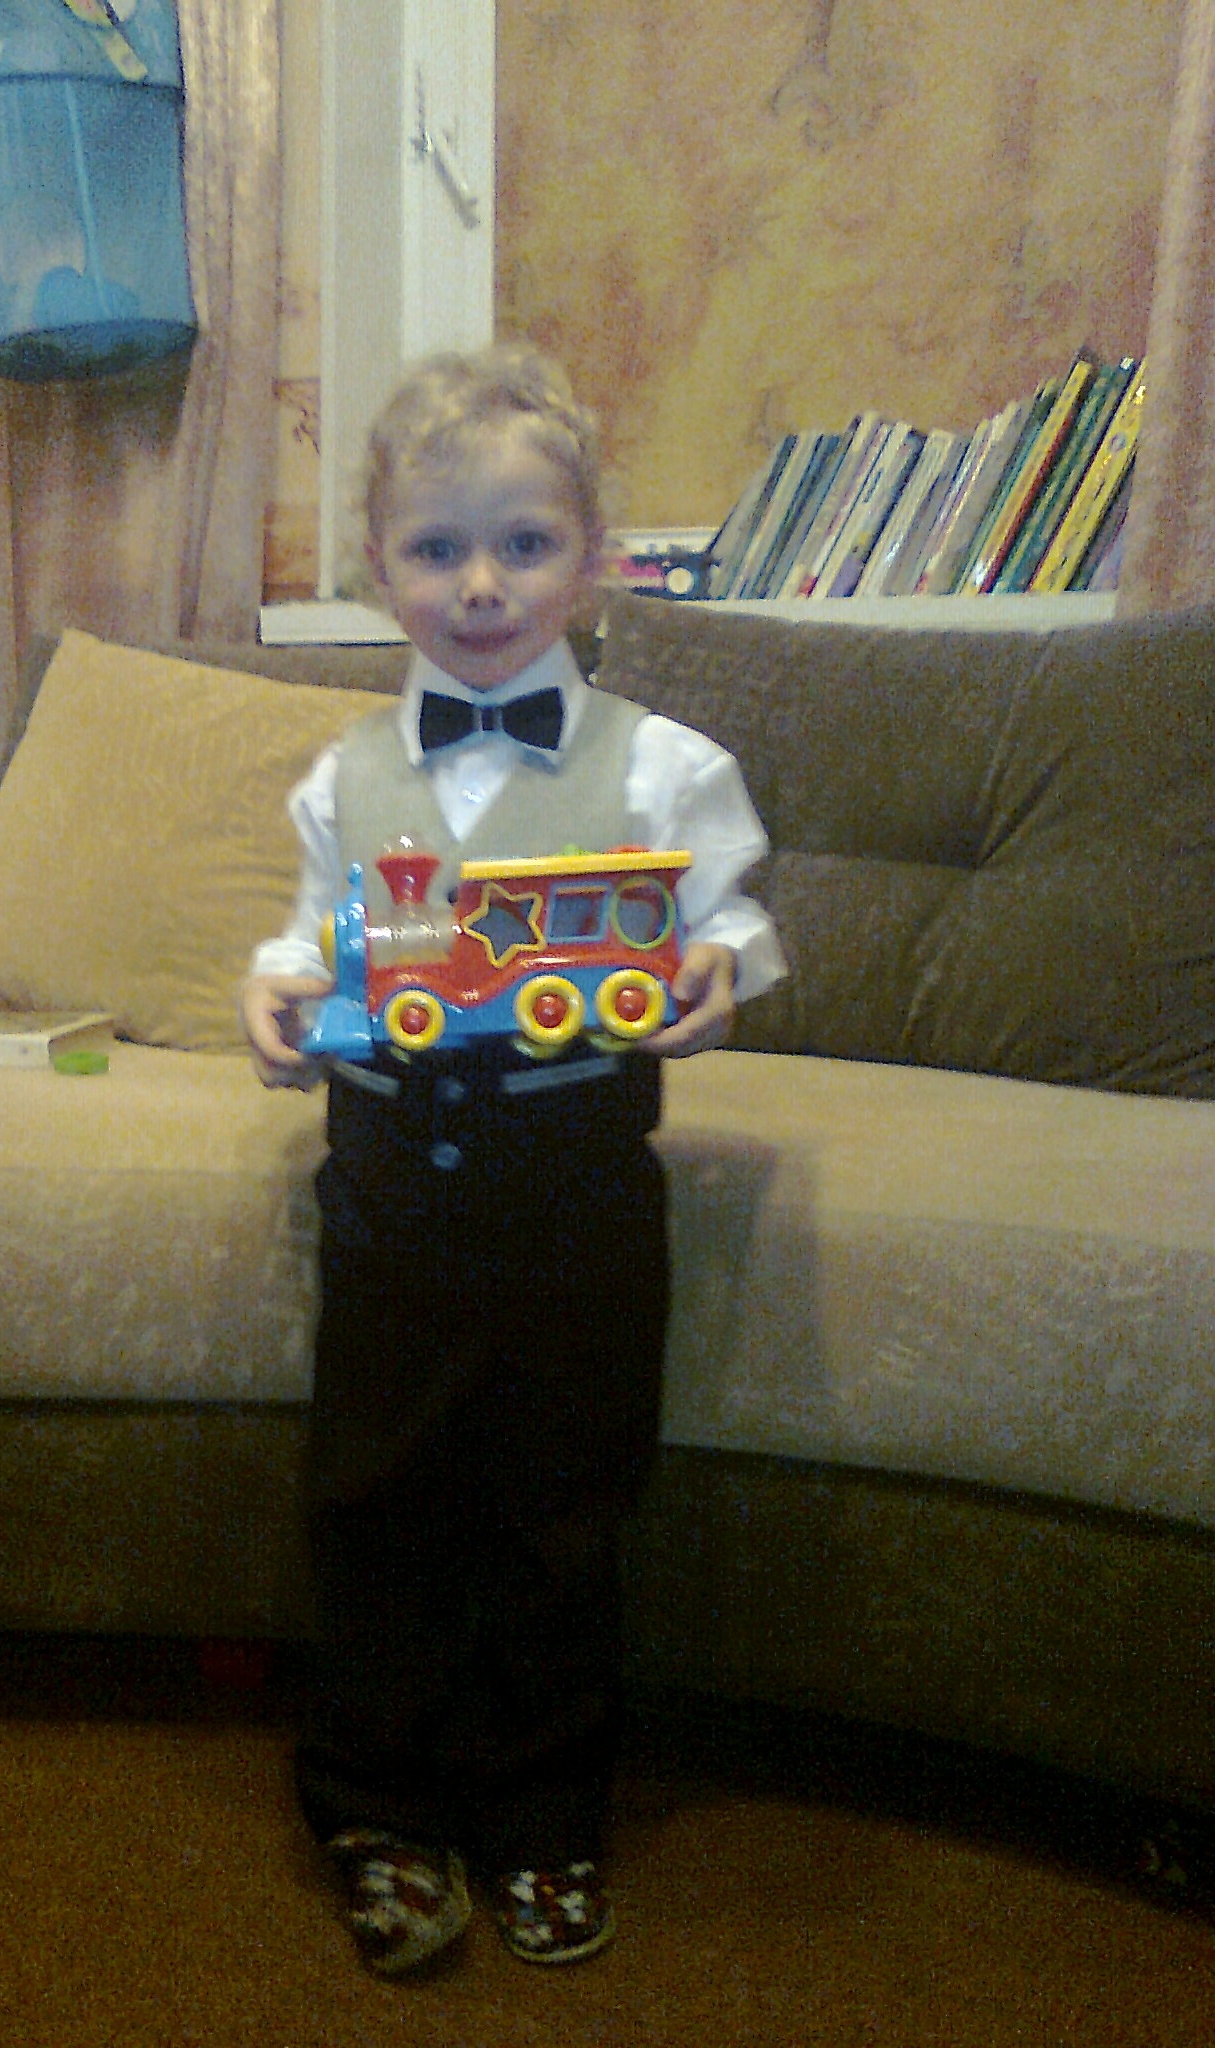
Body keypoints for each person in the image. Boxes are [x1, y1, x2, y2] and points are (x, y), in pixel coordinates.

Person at [241, 342, 785, 1976]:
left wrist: (718, 974)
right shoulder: (344, 775)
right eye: (437, 548)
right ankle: (377, 1811)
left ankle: (545, 1817)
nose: (480, 586)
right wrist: (277, 993)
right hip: (390, 1183)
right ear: (378, 567)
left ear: (594, 557)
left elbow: (731, 921)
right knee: (375, 1500)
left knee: (565, 1512)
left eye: (524, 543)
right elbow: (312, 935)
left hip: (579, 1193)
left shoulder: (668, 764)